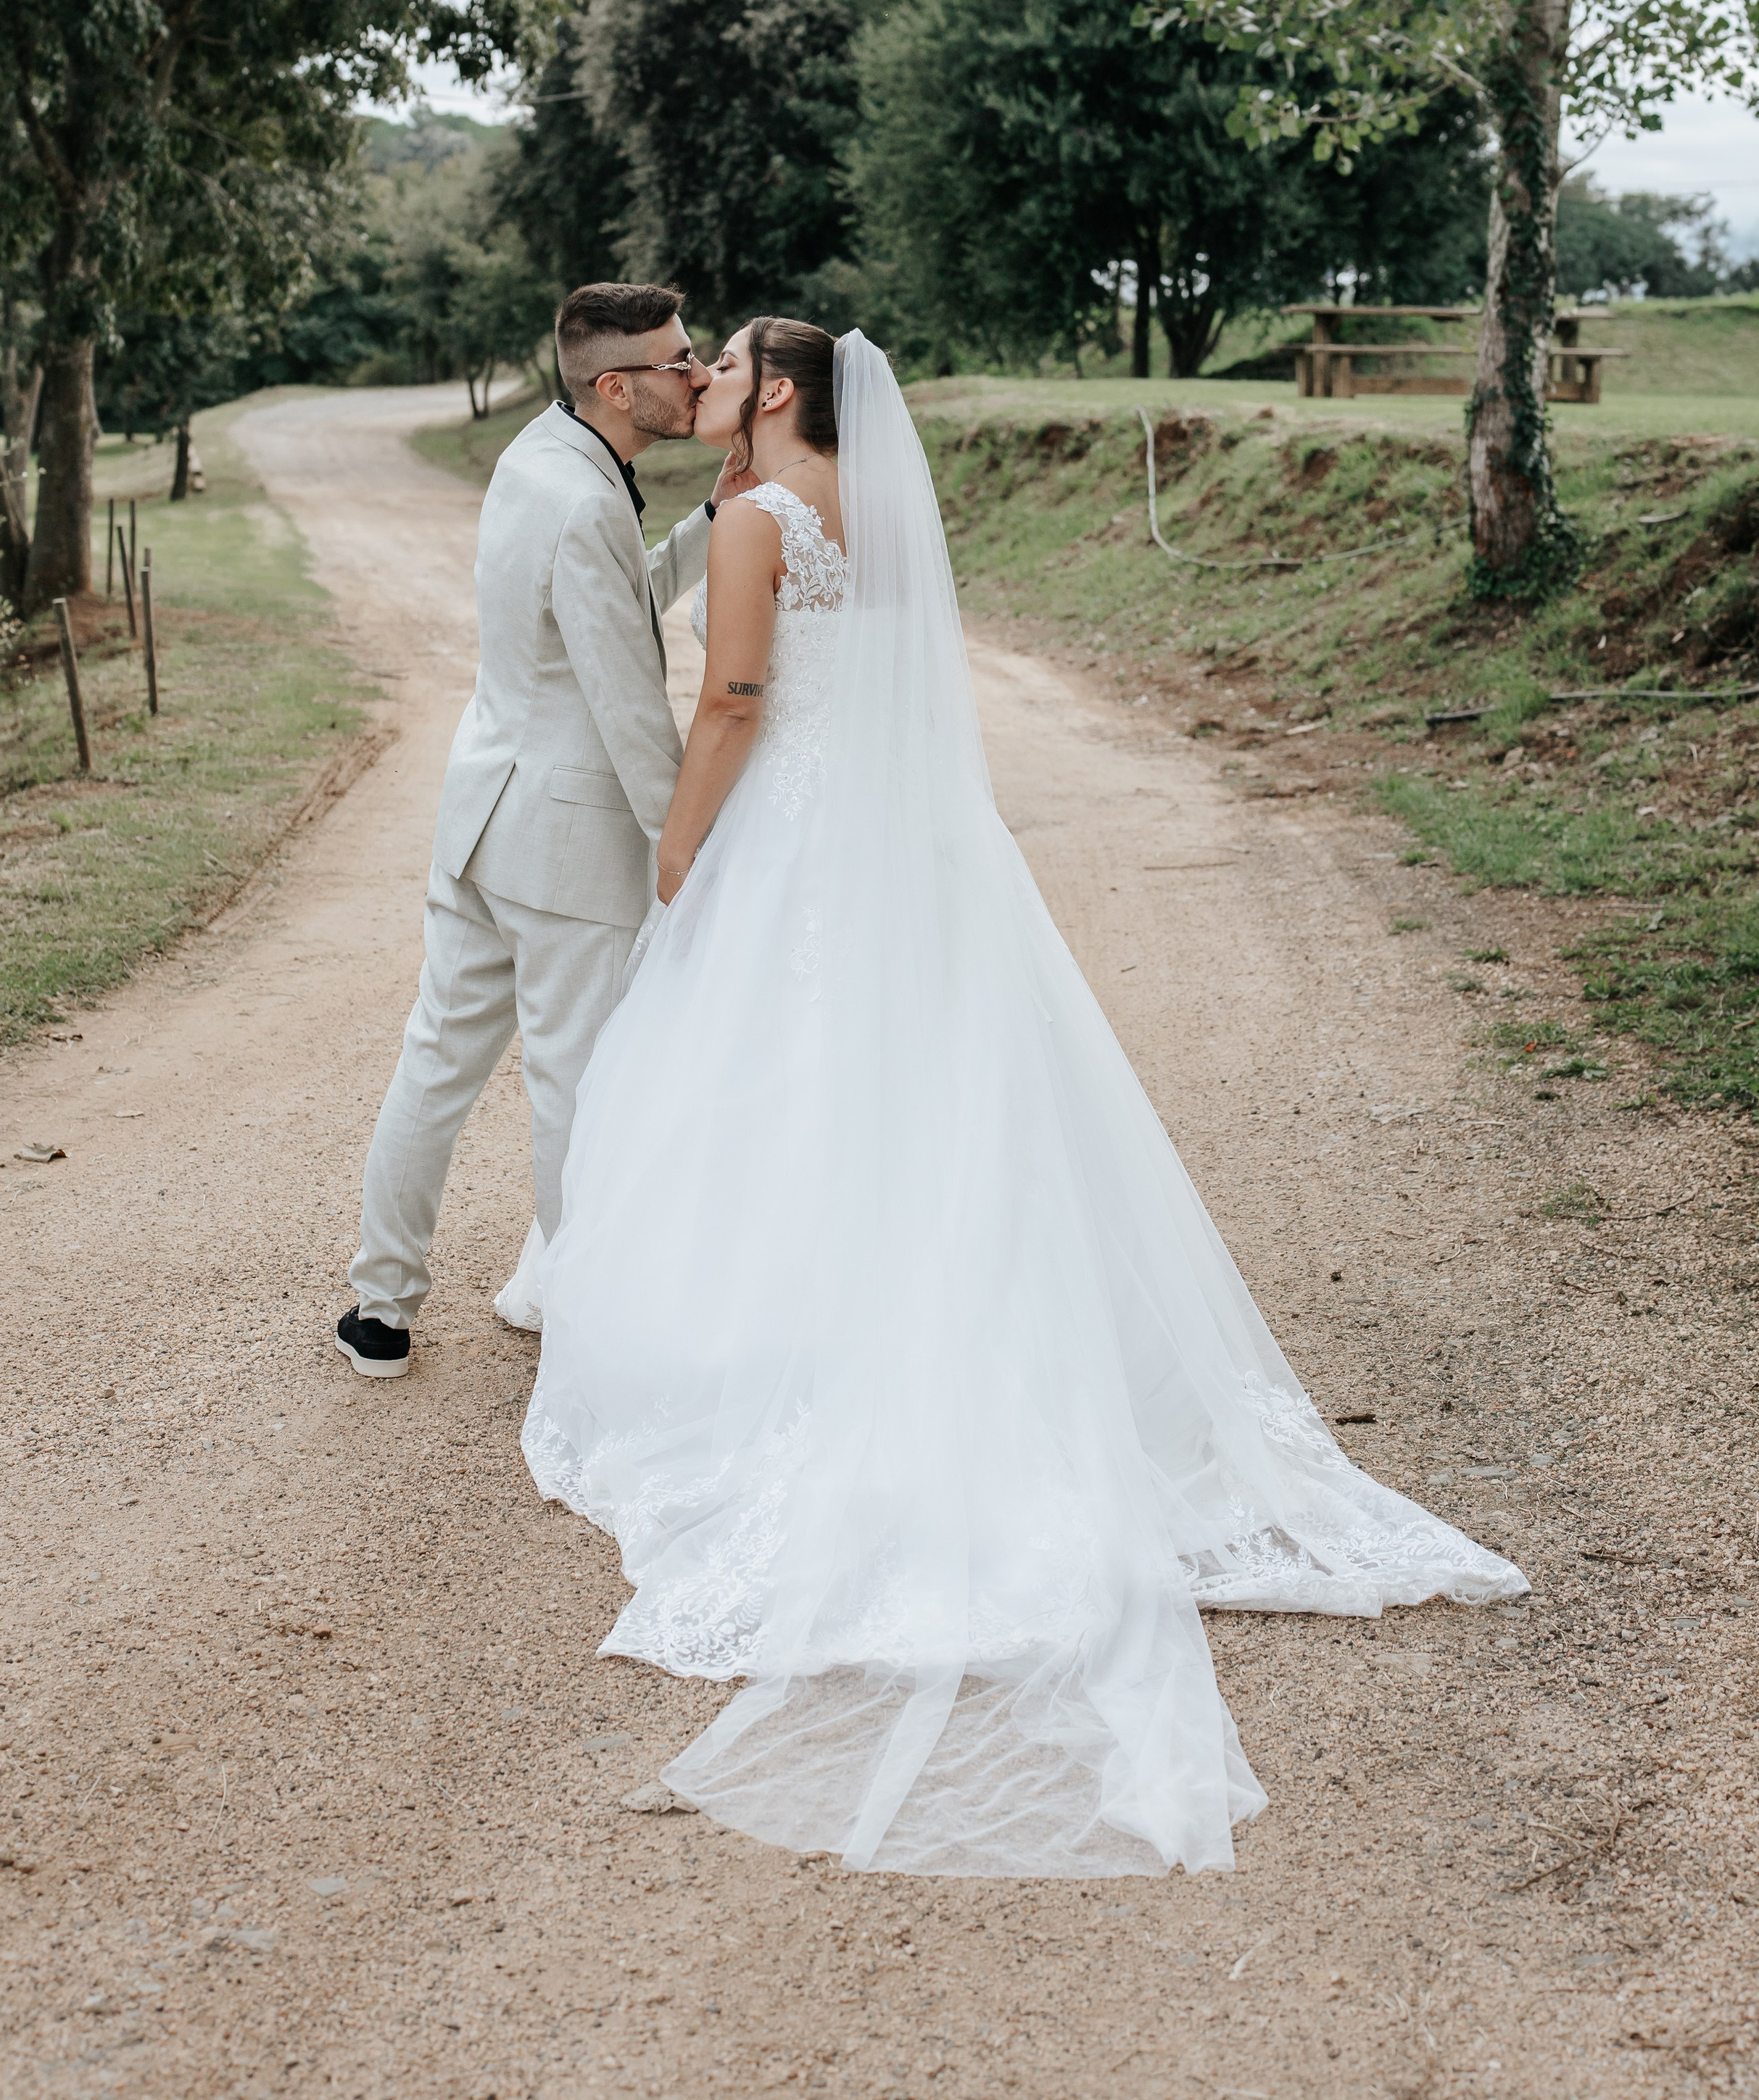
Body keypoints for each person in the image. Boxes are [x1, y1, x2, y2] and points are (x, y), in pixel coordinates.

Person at [518, 323, 1527, 1876]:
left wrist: (676, 844)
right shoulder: (872, 510)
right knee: (932, 1094)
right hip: (907, 848)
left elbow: (731, 702)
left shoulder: (755, 520)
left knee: (785, 1096)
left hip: (791, 841)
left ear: (773, 391)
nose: (700, 373)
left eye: (723, 361)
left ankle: (795, 1350)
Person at [335, 281, 737, 1379]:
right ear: (618, 386)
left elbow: (609, 599)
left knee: (435, 1064)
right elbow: (626, 705)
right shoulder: (585, 502)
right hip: (564, 844)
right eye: (678, 360)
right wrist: (685, 849)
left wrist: (709, 521)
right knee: (571, 1083)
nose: (697, 374)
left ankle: (380, 1308)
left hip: (482, 816)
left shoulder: (538, 457)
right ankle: (588, 1326)